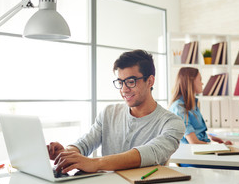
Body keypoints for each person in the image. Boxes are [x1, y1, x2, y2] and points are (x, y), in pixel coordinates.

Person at [47, 49, 185, 174]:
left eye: (131, 81)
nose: (124, 89)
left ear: (150, 81)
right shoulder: (109, 113)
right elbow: (84, 143)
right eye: (120, 82)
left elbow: (151, 152)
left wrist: (95, 163)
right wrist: (65, 153)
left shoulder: (172, 123)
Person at [169, 67, 231, 145]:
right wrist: (220, 146)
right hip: (193, 153)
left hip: (200, 149)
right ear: (191, 82)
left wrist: (210, 137)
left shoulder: (192, 104)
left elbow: (196, 132)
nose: (202, 83)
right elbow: (193, 142)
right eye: (200, 80)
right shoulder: (179, 107)